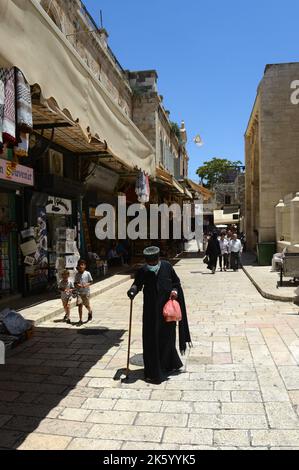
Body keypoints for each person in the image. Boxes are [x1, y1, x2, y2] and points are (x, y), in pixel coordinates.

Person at [127, 246, 192, 385]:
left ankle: (168, 364)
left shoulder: (167, 267)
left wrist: (175, 291)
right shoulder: (143, 270)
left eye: (153, 263)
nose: (151, 265)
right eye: (149, 263)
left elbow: (176, 282)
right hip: (151, 312)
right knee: (151, 339)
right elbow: (137, 284)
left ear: (158, 259)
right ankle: (153, 371)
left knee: (167, 338)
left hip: (167, 311)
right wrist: (132, 290)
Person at [74, 260, 93, 326]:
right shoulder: (77, 274)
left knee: (87, 305)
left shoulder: (87, 273)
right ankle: (80, 319)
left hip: (86, 292)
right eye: (80, 265)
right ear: (78, 266)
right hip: (79, 293)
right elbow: (75, 283)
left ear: (85, 266)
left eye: (82, 265)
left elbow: (91, 281)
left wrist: (86, 285)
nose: (81, 266)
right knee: (80, 305)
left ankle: (90, 312)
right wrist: (77, 285)